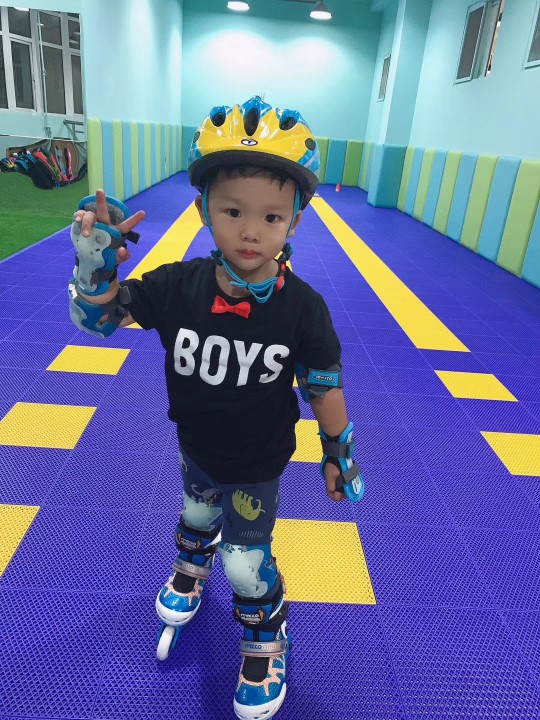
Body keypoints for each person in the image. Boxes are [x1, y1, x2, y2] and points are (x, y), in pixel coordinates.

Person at [68, 96, 364, 720]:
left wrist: (338, 450)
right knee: (197, 511)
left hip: (258, 462)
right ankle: (189, 563)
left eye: (271, 216)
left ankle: (265, 640)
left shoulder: (303, 308)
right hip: (195, 445)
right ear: (204, 209)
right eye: (232, 211)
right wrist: (95, 264)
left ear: (294, 221)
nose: (250, 231)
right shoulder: (178, 286)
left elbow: (322, 384)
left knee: (246, 563)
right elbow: (102, 319)